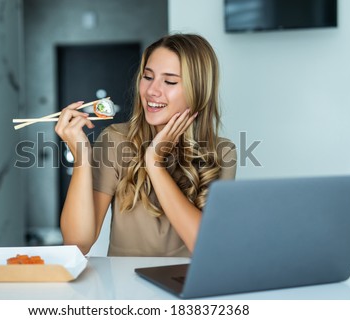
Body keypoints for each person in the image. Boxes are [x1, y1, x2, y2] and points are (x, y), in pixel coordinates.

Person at [54, 33, 237, 257]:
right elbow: (77, 244)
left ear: (198, 90)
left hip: (189, 287)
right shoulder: (116, 140)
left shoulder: (222, 152)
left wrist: (155, 164)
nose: (151, 91)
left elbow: (206, 248)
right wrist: (81, 156)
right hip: (126, 288)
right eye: (148, 77)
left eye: (169, 81)